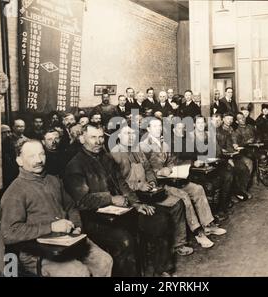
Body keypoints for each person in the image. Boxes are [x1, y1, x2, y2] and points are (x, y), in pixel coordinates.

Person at [1, 140, 113, 277]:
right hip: (37, 253)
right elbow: (9, 233)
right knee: (78, 272)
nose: (38, 160)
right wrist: (51, 227)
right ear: (19, 160)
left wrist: (77, 226)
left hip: (68, 242)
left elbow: (71, 206)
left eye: (41, 154)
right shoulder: (15, 191)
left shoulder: (53, 180)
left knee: (105, 261)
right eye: (31, 156)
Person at [63, 124, 139, 276]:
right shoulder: (75, 165)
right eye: (93, 137)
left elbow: (121, 183)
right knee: (125, 241)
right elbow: (82, 201)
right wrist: (110, 198)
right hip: (92, 220)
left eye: (101, 137)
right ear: (82, 138)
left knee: (156, 219)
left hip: (118, 214)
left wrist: (136, 202)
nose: (98, 141)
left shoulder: (106, 158)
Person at [110, 126, 194, 261]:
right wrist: (139, 186)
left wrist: (152, 182)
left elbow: (148, 169)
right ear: (118, 136)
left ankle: (179, 244)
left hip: (148, 192)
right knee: (159, 218)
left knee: (177, 203)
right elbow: (119, 184)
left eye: (133, 133)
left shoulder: (137, 149)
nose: (131, 136)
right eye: (127, 134)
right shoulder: (115, 154)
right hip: (133, 197)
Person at [140, 118, 226, 249]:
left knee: (197, 189)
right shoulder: (144, 146)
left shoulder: (164, 144)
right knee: (184, 195)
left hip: (171, 178)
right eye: (155, 126)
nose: (158, 128)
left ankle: (208, 224)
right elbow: (145, 169)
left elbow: (171, 161)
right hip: (160, 184)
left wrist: (169, 168)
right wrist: (158, 172)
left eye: (160, 126)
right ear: (148, 129)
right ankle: (198, 232)